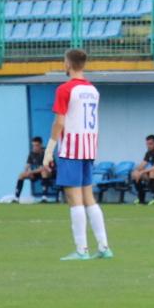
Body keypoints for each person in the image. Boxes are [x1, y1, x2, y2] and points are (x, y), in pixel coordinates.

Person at [50, 49, 110, 261]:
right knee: (89, 197)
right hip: (88, 147)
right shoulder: (93, 90)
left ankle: (81, 249)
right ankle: (103, 246)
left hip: (71, 149)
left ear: (68, 63)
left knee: (74, 199)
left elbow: (59, 122)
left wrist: (49, 151)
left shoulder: (65, 89)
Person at [0, 136, 52, 204]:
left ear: (41, 145)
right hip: (36, 173)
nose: (34, 147)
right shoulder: (32, 153)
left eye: (36, 145)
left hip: (50, 173)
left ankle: (44, 198)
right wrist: (27, 172)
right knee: (21, 175)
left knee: (44, 172)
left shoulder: (46, 153)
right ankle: (16, 198)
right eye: (33, 145)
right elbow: (27, 165)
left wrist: (31, 172)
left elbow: (44, 168)